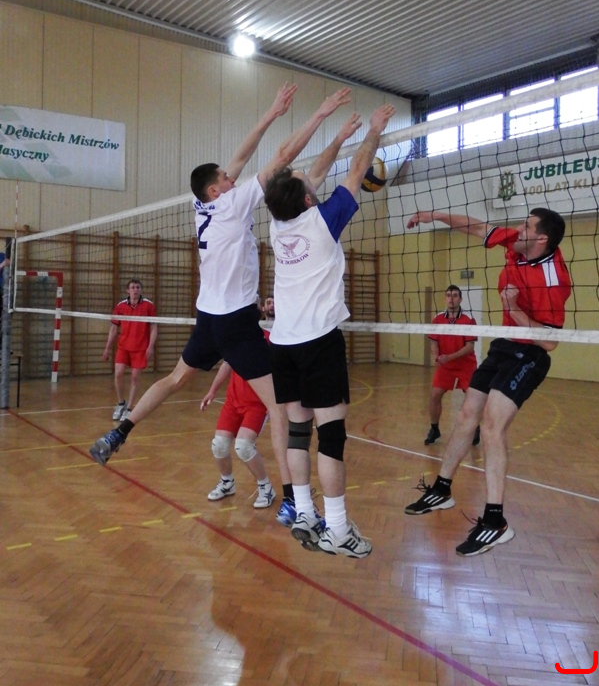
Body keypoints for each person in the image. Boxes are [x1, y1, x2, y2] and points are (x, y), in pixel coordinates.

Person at [89, 83, 352, 523]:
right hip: (235, 323)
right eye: (226, 179)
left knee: (175, 378)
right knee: (280, 408)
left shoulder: (202, 206)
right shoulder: (234, 203)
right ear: (217, 190)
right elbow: (282, 155)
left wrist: (271, 113)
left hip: (207, 317)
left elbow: (240, 156)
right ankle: (292, 498)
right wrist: (320, 115)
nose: (234, 178)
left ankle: (120, 431)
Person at [264, 103, 396, 558]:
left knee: (299, 434)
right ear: (307, 200)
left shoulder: (277, 224)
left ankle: (304, 512)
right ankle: (337, 529)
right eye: (307, 185)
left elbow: (313, 175)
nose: (311, 180)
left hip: (282, 344)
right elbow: (358, 169)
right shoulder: (323, 221)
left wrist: (338, 136)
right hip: (318, 343)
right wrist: (374, 131)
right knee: (332, 437)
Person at [404, 208, 571, 556]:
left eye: (526, 225)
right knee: (467, 414)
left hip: (530, 353)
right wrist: (433, 215)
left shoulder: (554, 279)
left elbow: (551, 342)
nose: (518, 228)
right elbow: (476, 226)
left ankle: (496, 522)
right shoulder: (518, 242)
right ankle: (442, 489)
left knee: (492, 427)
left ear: (541, 238)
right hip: (504, 344)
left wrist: (517, 310)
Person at [200, 352, 276, 508]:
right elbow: (227, 363)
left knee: (244, 446)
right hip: (233, 401)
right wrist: (212, 391)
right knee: (219, 445)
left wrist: (275, 403)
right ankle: (227, 482)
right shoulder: (237, 338)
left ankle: (266, 487)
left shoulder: (270, 342)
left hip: (257, 404)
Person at [425, 285, 480, 447]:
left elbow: (469, 347)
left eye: (455, 295)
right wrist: (436, 356)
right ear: (445, 298)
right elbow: (434, 342)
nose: (451, 298)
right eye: (448, 295)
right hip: (445, 366)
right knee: (435, 395)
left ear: (460, 299)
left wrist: (449, 357)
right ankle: (434, 429)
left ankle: (475, 428)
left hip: (466, 365)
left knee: (472, 398)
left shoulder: (468, 319)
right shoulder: (437, 319)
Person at [103, 279, 157, 421]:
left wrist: (150, 346)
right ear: (128, 290)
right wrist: (107, 348)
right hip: (123, 347)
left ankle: (129, 408)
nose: (135, 290)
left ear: (141, 290)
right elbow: (114, 328)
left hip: (140, 348)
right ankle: (121, 403)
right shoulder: (121, 306)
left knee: (135, 377)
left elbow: (153, 327)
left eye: (138, 287)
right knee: (118, 374)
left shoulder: (148, 306)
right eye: (132, 287)